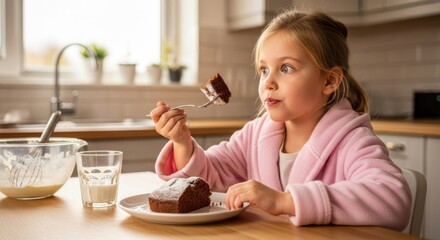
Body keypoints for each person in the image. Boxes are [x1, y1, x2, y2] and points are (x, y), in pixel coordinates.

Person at [148, 9, 411, 231]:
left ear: (329, 80)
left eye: (286, 68)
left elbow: (393, 198)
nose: (268, 83)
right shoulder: (256, 134)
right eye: (264, 69)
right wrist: (182, 142)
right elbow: (208, 179)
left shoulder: (352, 140)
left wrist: (286, 201)